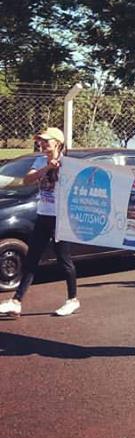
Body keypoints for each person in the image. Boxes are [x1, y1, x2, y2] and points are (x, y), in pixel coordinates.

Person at [0, 127, 78, 319]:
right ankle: (16, 301)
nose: (42, 144)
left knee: (63, 260)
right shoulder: (40, 160)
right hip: (44, 215)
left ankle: (72, 300)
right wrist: (48, 168)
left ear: (57, 142)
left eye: (46, 141)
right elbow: (27, 180)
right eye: (40, 141)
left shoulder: (69, 164)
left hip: (60, 219)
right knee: (32, 259)